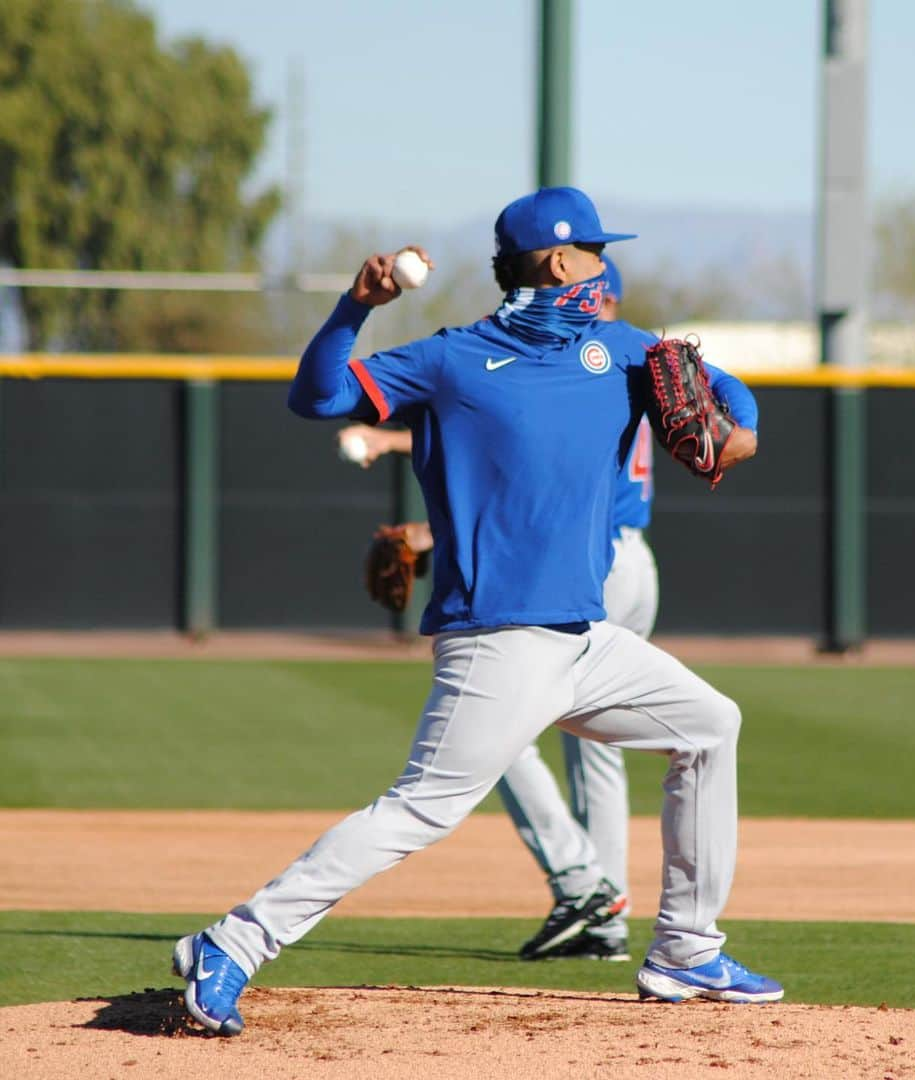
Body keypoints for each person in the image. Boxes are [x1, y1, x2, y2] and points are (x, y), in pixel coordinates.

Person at [172, 186, 781, 1036]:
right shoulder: (452, 360)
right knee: (420, 809)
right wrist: (356, 307)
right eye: (598, 250)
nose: (609, 263)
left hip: (583, 639)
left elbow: (731, 392)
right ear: (562, 261)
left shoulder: (623, 350)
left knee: (710, 725)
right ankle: (232, 942)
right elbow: (315, 398)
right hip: (496, 640)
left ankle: (685, 947)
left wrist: (734, 432)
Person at [336, 256, 760, 963]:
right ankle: (606, 905)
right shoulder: (626, 363)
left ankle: (588, 885)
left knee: (517, 730)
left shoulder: (593, 357)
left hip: (590, 557)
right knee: (599, 741)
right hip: (626, 557)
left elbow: (519, 471)